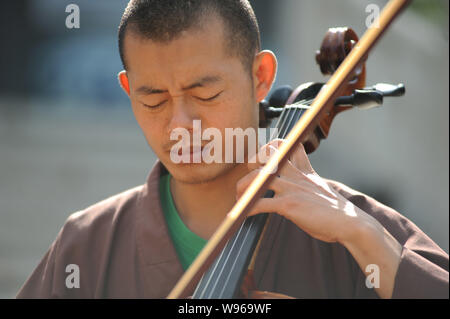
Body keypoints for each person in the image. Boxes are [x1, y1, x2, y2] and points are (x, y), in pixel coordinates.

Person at [16, 0, 448, 299]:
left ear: (260, 76)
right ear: (128, 91)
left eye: (204, 94)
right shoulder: (87, 246)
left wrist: (363, 235)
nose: (180, 124)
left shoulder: (357, 230)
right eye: (154, 100)